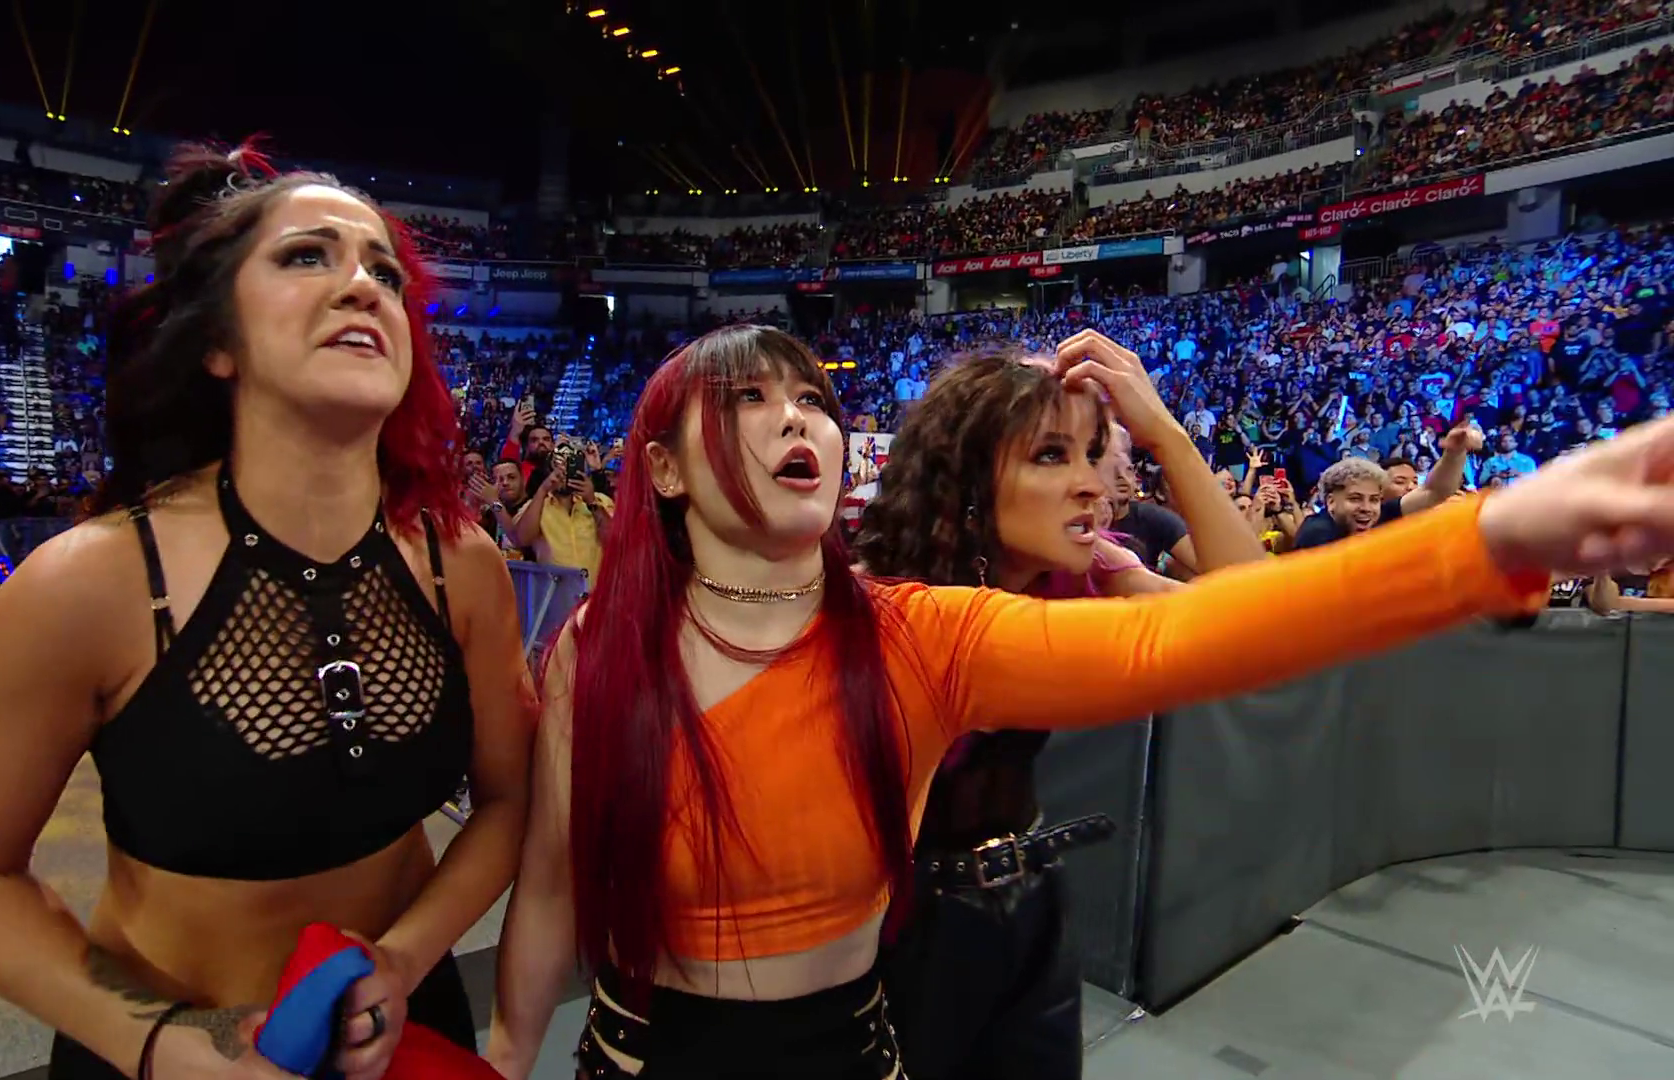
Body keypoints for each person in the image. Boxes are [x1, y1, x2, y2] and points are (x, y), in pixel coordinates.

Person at [485, 322, 1674, 1080]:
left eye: (810, 396)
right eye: (749, 399)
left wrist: (1494, 534)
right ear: (661, 467)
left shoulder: (920, 632)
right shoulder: (598, 646)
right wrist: (499, 1053)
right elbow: (545, 888)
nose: (797, 413)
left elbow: (1192, 634)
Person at [0, 144, 535, 1080]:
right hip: (162, 1048)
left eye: (385, 273)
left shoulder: (463, 565)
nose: (362, 285)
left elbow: (508, 802)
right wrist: (159, 1041)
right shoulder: (89, 583)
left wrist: (403, 961)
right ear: (217, 346)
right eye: (307, 256)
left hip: (404, 1025)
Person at [851, 339, 1268, 1080]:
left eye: (1094, 454)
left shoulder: (1090, 570)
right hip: (898, 935)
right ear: (968, 476)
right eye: (1051, 455)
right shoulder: (875, 607)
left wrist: (1165, 434)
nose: (1092, 486)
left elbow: (1256, 620)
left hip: (1032, 909)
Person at [1292, 423, 1481, 549]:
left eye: (1374, 500)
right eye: (1355, 499)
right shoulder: (1317, 533)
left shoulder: (1377, 515)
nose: (1366, 508)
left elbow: (1434, 491)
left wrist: (1455, 452)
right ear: (1331, 502)